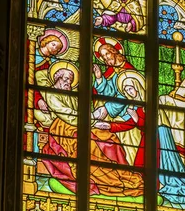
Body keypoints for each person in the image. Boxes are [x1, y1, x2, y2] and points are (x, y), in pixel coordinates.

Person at [35, 62, 143, 196]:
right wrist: (90, 119)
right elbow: (65, 114)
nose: (69, 82)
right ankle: (107, 181)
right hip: (63, 127)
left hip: (83, 123)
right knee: (90, 145)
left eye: (70, 79)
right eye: (66, 78)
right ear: (57, 77)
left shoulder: (72, 94)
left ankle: (120, 174)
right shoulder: (51, 94)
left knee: (110, 139)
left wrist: (95, 122)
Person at [94, 71, 146, 167]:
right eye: (126, 91)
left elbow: (152, 123)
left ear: (137, 87)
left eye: (130, 89)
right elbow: (128, 124)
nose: (129, 92)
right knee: (139, 165)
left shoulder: (147, 103)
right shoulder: (134, 107)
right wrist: (109, 126)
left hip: (156, 139)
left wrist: (136, 118)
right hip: (145, 140)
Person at [92, 38, 136, 120]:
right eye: (103, 57)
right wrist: (99, 78)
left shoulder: (128, 70)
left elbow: (126, 96)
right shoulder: (113, 72)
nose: (106, 58)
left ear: (114, 51)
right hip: (114, 108)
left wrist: (107, 108)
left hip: (128, 111)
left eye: (107, 54)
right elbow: (110, 92)